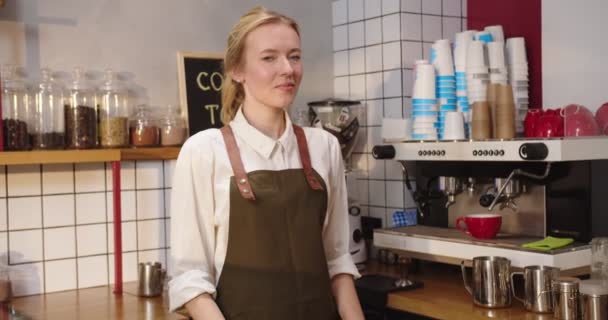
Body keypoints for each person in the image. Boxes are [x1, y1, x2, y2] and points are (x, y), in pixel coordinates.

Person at [168, 6, 364, 320]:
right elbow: (190, 280)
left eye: (295, 56)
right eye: (269, 57)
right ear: (236, 70)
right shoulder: (203, 151)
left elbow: (338, 260)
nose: (287, 69)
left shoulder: (324, 146)